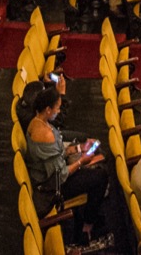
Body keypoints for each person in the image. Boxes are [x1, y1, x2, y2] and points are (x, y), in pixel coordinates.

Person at [23, 85, 108, 241]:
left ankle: (90, 216)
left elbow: (58, 151)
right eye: (57, 108)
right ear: (48, 109)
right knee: (101, 177)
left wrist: (78, 148)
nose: (59, 111)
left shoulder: (37, 121)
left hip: (52, 175)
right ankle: (87, 226)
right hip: (52, 186)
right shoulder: (45, 134)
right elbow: (61, 175)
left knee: (97, 165)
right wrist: (82, 161)